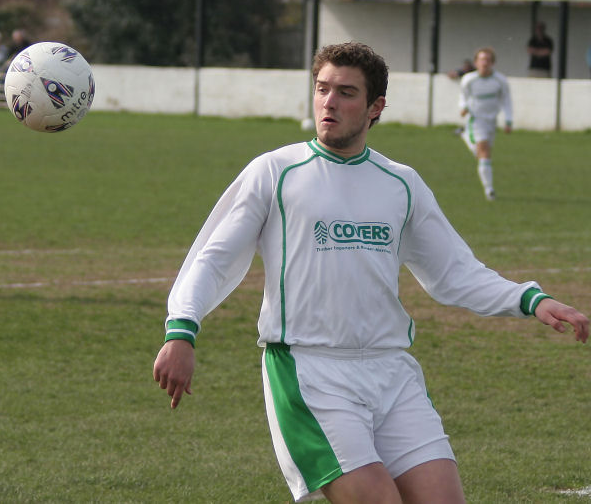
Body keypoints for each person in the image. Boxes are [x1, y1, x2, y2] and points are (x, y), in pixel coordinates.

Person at [153, 42, 588, 504]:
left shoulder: (401, 183)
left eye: (346, 92)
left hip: (393, 373)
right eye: (322, 89)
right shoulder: (275, 172)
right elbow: (214, 257)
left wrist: (531, 300)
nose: (329, 102)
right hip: (310, 372)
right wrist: (182, 329)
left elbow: (455, 272)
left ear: (375, 107)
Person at [458, 47, 513, 201]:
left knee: (482, 156)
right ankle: (489, 190)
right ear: (476, 62)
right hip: (476, 120)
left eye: (488, 60)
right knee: (484, 152)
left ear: (493, 63)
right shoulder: (468, 79)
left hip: (491, 122)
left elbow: (506, 101)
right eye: (482, 59)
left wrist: (508, 120)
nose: (485, 63)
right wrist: (463, 108)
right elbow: (463, 97)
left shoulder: (500, 81)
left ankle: (464, 135)